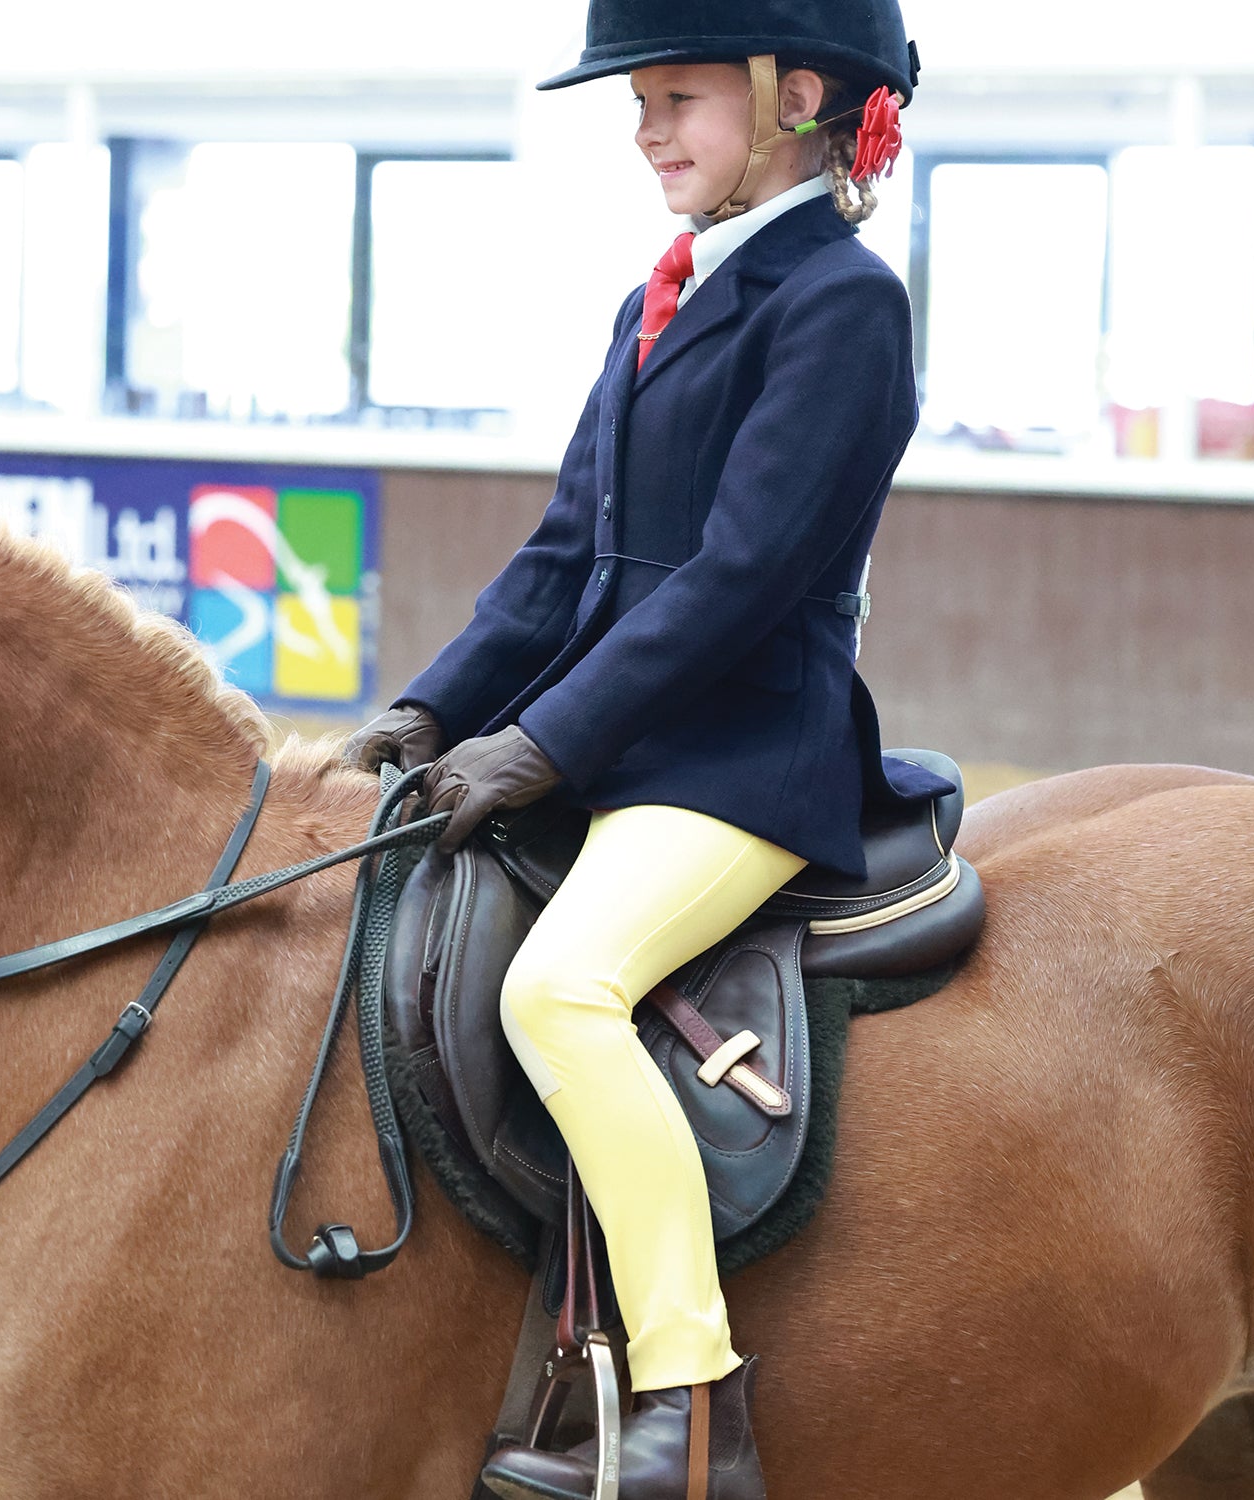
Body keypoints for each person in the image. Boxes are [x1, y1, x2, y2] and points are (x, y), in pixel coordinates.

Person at [346, 3, 951, 1495]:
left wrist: (540, 743)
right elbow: (565, 555)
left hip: (744, 758)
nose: (645, 132)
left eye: (677, 99)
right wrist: (432, 711)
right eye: (641, 103)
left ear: (794, 99)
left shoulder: (845, 306)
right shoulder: (657, 296)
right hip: (616, 742)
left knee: (561, 992)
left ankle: (696, 1403)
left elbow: (739, 582)